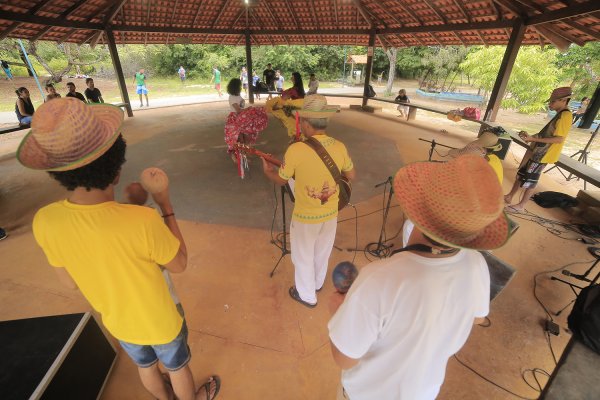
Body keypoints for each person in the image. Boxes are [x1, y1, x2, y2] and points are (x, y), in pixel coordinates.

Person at [18, 98, 221, 400]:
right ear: (116, 167)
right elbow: (178, 263)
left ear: (59, 172)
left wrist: (130, 208)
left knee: (147, 366)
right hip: (160, 321)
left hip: (119, 322)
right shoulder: (142, 220)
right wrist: (164, 203)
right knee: (177, 368)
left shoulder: (45, 221)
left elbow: (71, 278)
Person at [328, 154, 510, 400]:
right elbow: (477, 317)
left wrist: (339, 310)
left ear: (414, 209)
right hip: (424, 392)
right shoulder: (476, 263)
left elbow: (345, 359)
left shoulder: (379, 279)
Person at [262, 95, 355, 308]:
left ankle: (307, 295)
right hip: (331, 214)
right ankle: (318, 284)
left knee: (303, 256)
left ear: (305, 122)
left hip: (305, 217)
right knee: (322, 251)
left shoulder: (296, 149)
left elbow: (281, 179)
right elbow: (351, 175)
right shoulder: (339, 146)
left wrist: (267, 171)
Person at [504, 87, 573, 211]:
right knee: (521, 174)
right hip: (538, 152)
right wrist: (531, 137)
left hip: (544, 155)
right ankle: (510, 196)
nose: (550, 104)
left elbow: (559, 139)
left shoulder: (566, 116)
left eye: (553, 101)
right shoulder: (560, 114)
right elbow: (548, 134)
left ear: (563, 100)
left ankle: (521, 205)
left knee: (530, 179)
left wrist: (534, 140)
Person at [224, 78, 268, 162]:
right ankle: (236, 155)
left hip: (242, 117)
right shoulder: (232, 97)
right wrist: (248, 109)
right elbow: (238, 110)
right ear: (236, 87)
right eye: (239, 85)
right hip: (236, 119)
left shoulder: (237, 95)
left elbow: (241, 108)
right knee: (239, 138)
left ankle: (244, 154)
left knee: (245, 137)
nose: (241, 87)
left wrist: (248, 110)